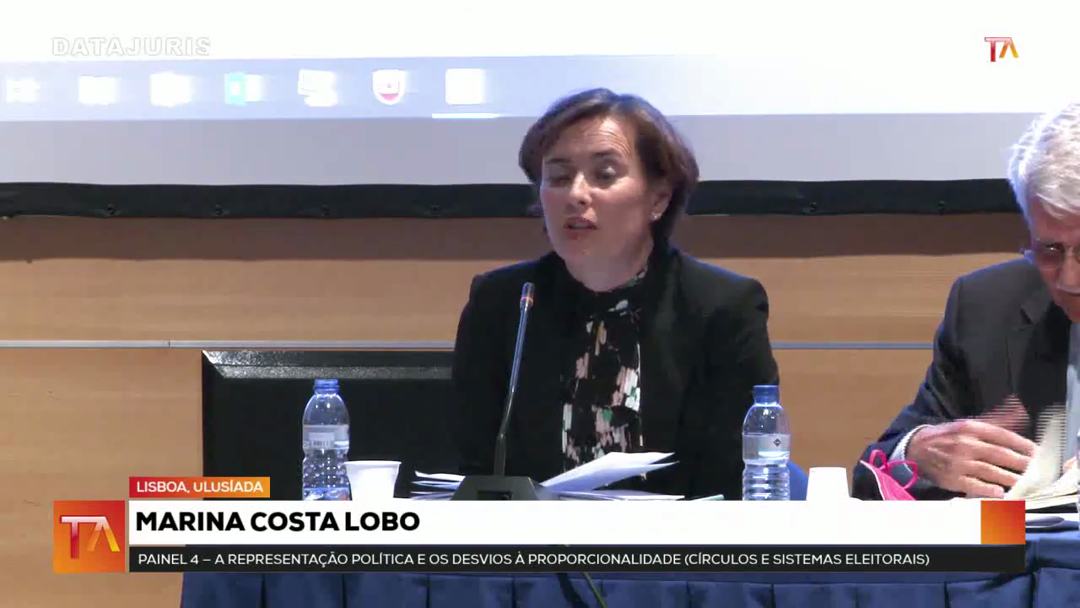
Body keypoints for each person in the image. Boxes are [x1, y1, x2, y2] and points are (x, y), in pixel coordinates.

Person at [451, 88, 779, 500]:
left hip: (677, 539)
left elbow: (732, 479)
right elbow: (475, 465)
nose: (576, 194)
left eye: (604, 175)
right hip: (531, 538)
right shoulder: (504, 304)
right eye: (559, 177)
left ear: (658, 198)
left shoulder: (722, 309)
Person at [853, 103, 1080, 500]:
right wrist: (919, 454)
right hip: (1014, 539)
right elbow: (872, 475)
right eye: (1049, 250)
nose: (1069, 279)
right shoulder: (986, 307)